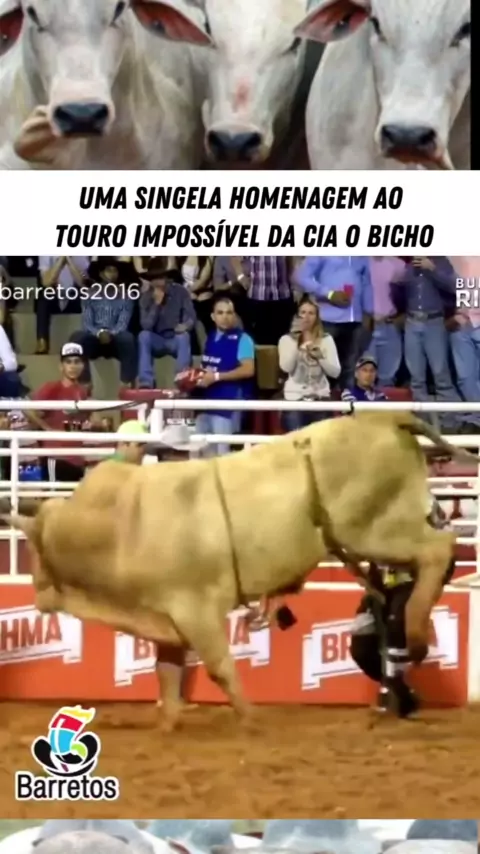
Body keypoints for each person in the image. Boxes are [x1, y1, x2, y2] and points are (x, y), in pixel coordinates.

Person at [111, 420, 196, 712]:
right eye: (179, 452)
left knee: (179, 637)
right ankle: (171, 700)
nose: (183, 457)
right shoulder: (155, 484)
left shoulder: (155, 481)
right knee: (172, 637)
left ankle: (173, 699)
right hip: (163, 566)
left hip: (175, 565)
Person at [350, 493, 456, 718]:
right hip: (380, 580)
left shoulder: (422, 501)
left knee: (397, 627)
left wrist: (434, 581)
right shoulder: (365, 501)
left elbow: (445, 541)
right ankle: (398, 689)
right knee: (361, 646)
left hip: (413, 579)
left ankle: (394, 692)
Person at [391, 256, 462, 433]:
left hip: (434, 323)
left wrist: (432, 269)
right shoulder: (409, 265)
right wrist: (398, 284)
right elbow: (401, 297)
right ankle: (423, 425)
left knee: (441, 375)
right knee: (416, 379)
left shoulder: (441, 261)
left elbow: (455, 286)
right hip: (412, 322)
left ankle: (450, 424)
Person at [295, 255, 373, 388]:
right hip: (328, 320)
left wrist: (368, 311)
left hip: (356, 320)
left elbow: (366, 283)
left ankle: (347, 399)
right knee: (324, 365)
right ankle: (323, 398)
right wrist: (329, 294)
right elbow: (301, 277)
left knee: (351, 368)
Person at [193, 294, 255, 455]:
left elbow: (248, 369)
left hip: (228, 404)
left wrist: (216, 377)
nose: (225, 317)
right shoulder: (210, 337)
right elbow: (208, 366)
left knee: (223, 455)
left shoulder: (243, 339)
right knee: (201, 454)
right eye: (220, 313)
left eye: (229, 312)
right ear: (213, 317)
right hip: (205, 403)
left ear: (234, 316)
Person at [70, 258, 137, 388]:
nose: (112, 274)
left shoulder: (126, 296)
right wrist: (99, 333)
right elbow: (87, 323)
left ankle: (126, 383)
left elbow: (123, 324)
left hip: (115, 340)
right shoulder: (89, 294)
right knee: (77, 337)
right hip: (94, 339)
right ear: (101, 274)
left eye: (115, 271)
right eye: (109, 271)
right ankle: (85, 384)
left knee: (128, 338)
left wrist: (110, 334)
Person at [29, 343, 90, 482]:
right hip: (55, 456)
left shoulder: (82, 392)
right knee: (54, 495)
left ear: (83, 365)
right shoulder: (52, 387)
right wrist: (47, 428)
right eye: (68, 362)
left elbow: (87, 417)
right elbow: (30, 410)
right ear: (61, 366)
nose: (73, 366)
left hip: (76, 457)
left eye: (77, 362)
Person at [278, 296, 340, 431]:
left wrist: (320, 358)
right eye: (303, 313)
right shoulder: (286, 340)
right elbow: (286, 367)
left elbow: (335, 372)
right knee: (298, 439)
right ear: (297, 316)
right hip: (295, 399)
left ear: (317, 317)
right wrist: (297, 342)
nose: (306, 317)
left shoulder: (326, 340)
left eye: (311, 313)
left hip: (320, 398)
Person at [138, 263, 195, 388]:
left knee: (184, 336)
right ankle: (146, 382)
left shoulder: (180, 292)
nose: (158, 282)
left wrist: (184, 326)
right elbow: (146, 325)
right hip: (157, 339)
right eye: (154, 279)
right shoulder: (146, 297)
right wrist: (156, 305)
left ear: (166, 278)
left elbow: (191, 317)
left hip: (175, 337)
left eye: (161, 278)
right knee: (143, 336)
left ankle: (182, 379)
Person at [36, 255, 90, 354]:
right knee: (44, 297)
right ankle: (42, 341)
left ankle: (84, 344)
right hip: (55, 296)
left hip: (74, 297)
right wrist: (61, 260)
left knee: (86, 297)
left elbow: (82, 283)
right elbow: (46, 282)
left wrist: (69, 261)